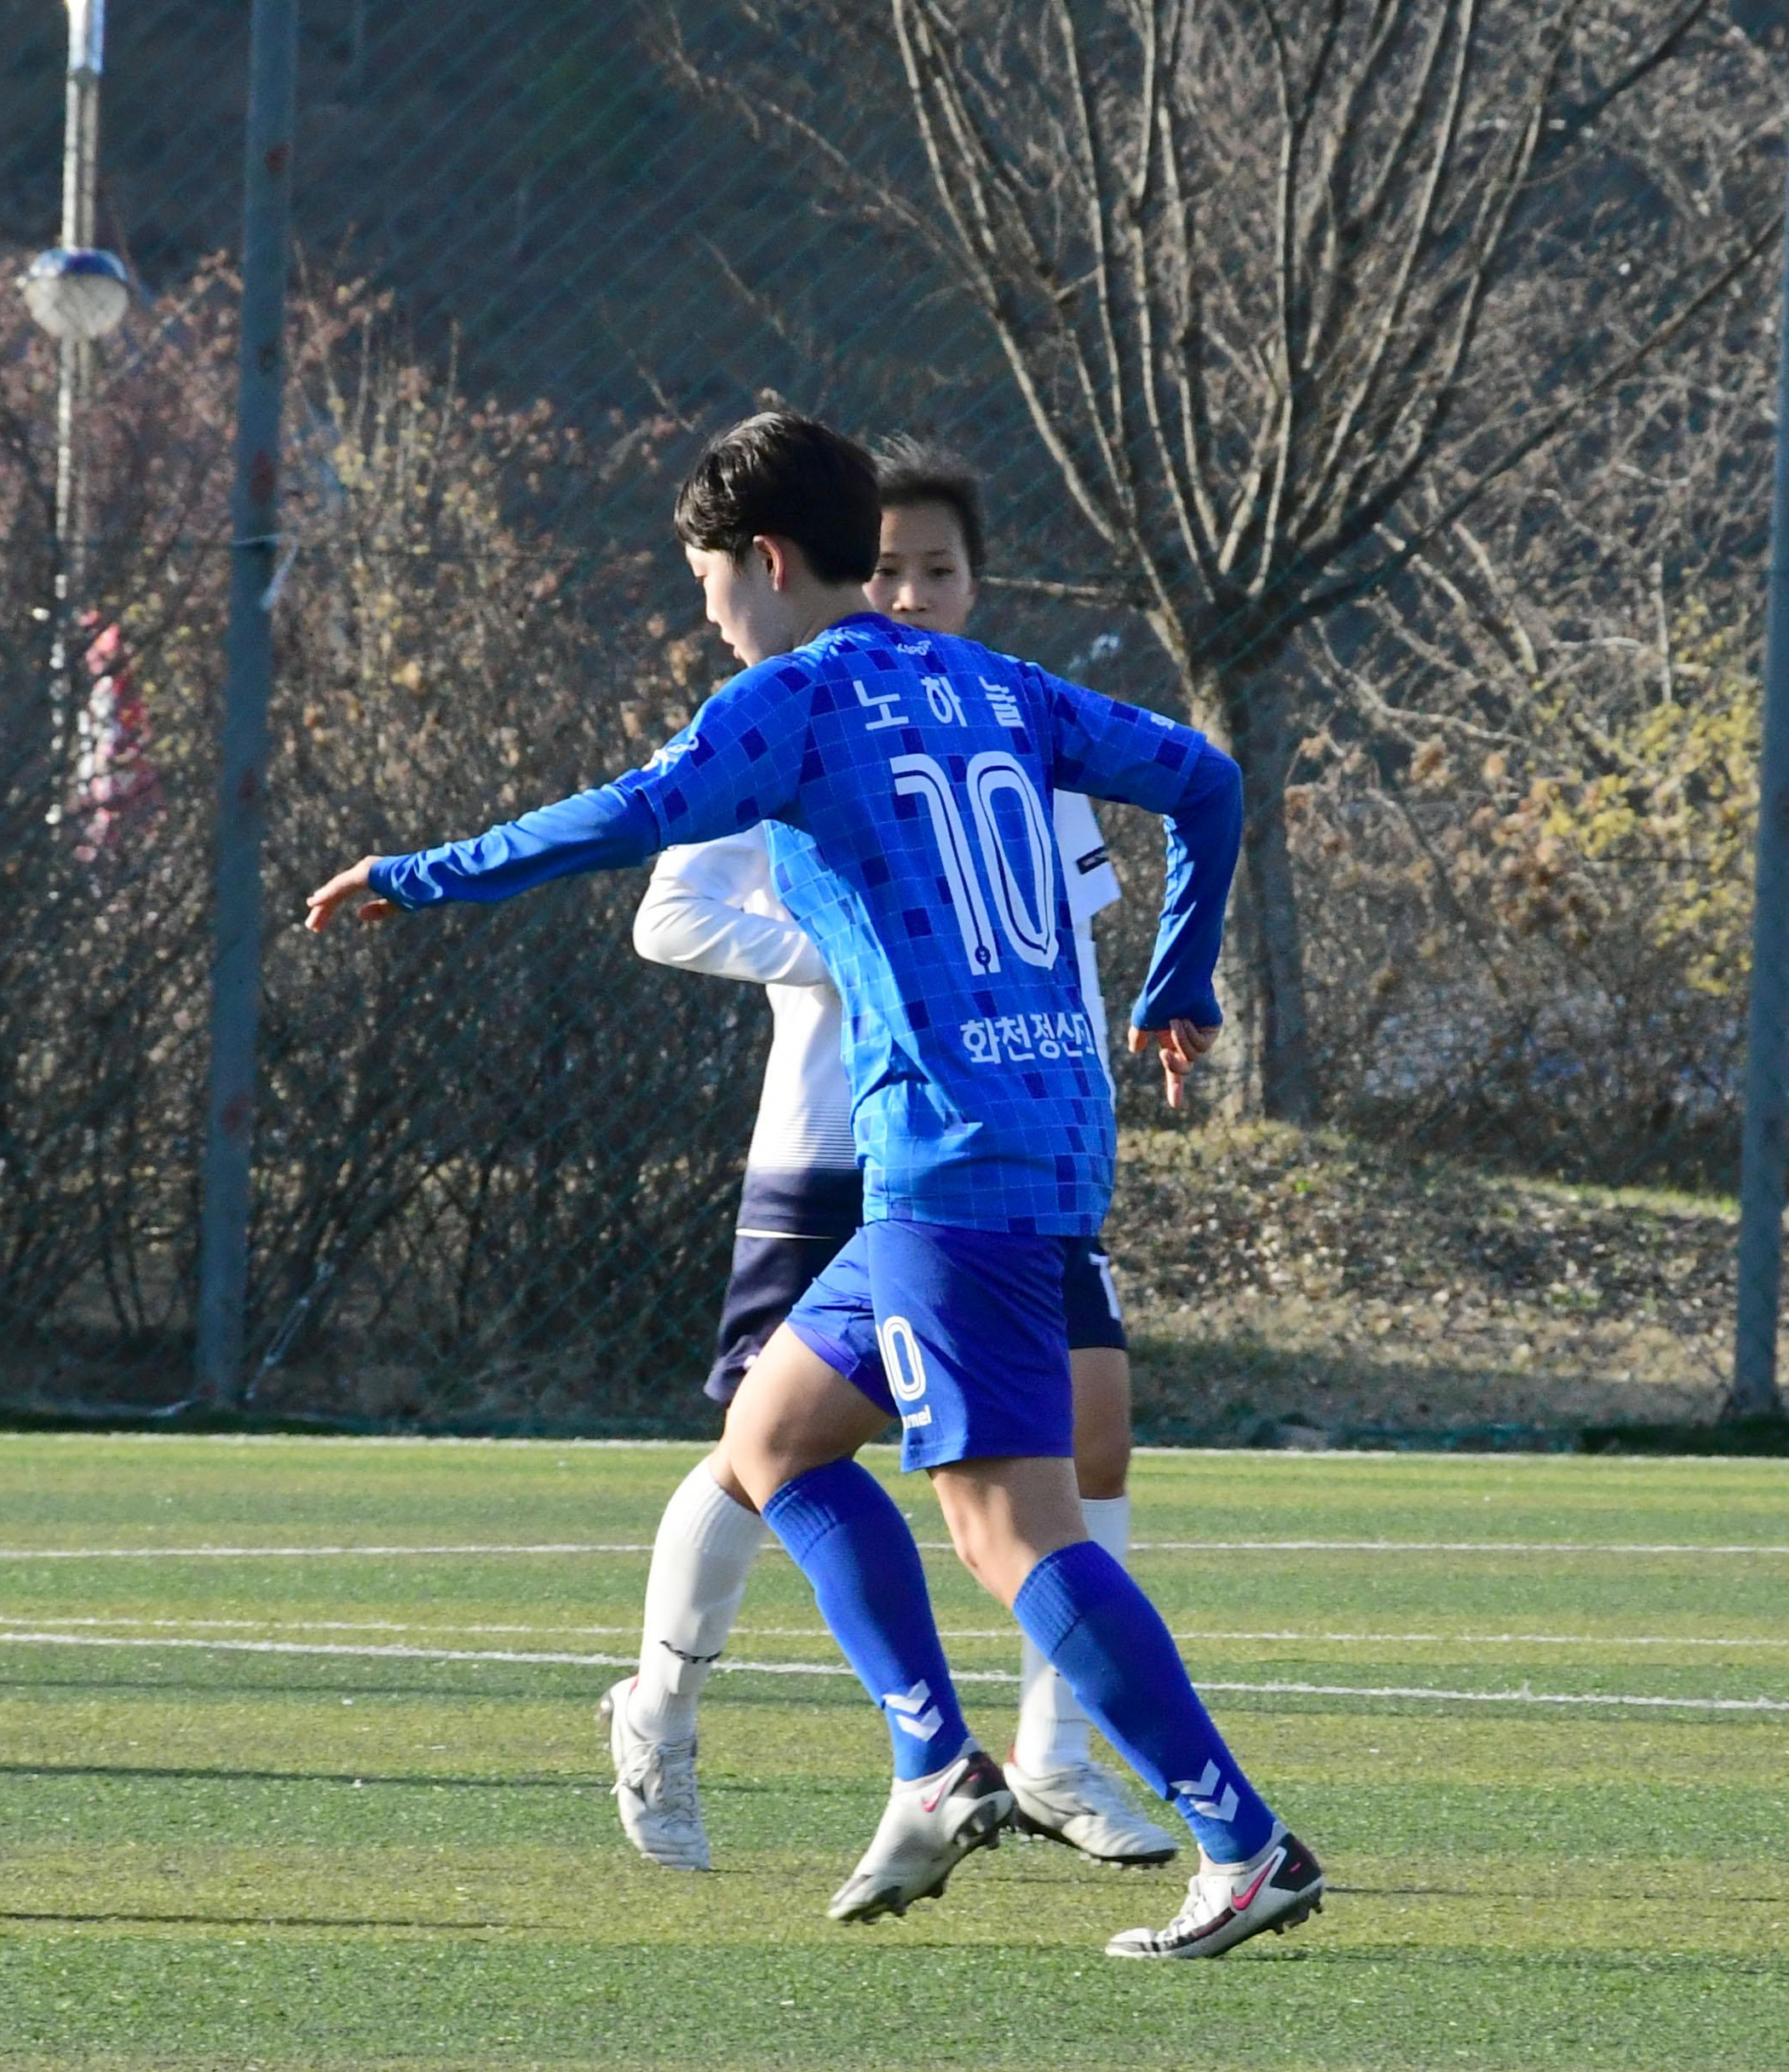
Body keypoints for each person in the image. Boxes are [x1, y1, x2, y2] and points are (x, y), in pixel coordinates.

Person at [305, 411, 1322, 1960]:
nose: (710, 613)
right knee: (773, 1437)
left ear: (766, 563)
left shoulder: (787, 698)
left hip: (947, 1156)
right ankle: (932, 1763)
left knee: (1005, 1533)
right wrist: (1177, 985)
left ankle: (1240, 1839)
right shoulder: (994, 682)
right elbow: (1204, 781)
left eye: (710, 582)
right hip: (1045, 1123)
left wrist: (420, 873)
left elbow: (630, 820)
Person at [601, 440, 1175, 1877]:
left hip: (1004, 1154)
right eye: (892, 564)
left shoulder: (1019, 729)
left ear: (976, 584)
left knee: (1086, 1427)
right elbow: (673, 910)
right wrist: (862, 964)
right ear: (844, 562)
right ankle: (658, 1710)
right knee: (758, 1449)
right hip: (836, 1144)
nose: (910, 589)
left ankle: (1049, 1760)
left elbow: (1066, 933)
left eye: (939, 569)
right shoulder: (788, 708)